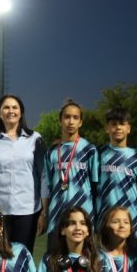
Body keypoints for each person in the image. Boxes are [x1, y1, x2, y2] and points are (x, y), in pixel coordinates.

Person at [0, 94, 44, 252]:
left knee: (23, 256)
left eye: (15, 107)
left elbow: (43, 176)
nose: (11, 111)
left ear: (21, 113)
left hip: (28, 210)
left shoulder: (35, 139)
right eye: (6, 107)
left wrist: (44, 212)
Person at [38, 99, 98, 252]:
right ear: (60, 120)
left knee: (84, 261)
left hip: (83, 217)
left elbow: (95, 186)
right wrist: (44, 213)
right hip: (57, 216)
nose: (71, 121)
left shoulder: (89, 149)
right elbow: (46, 186)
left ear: (80, 122)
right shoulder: (52, 152)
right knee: (54, 260)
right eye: (67, 117)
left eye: (75, 117)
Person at [96, 107, 137, 238]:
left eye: (122, 123)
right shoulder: (98, 154)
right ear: (107, 128)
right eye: (114, 124)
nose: (118, 128)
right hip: (104, 219)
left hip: (130, 219)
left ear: (129, 128)